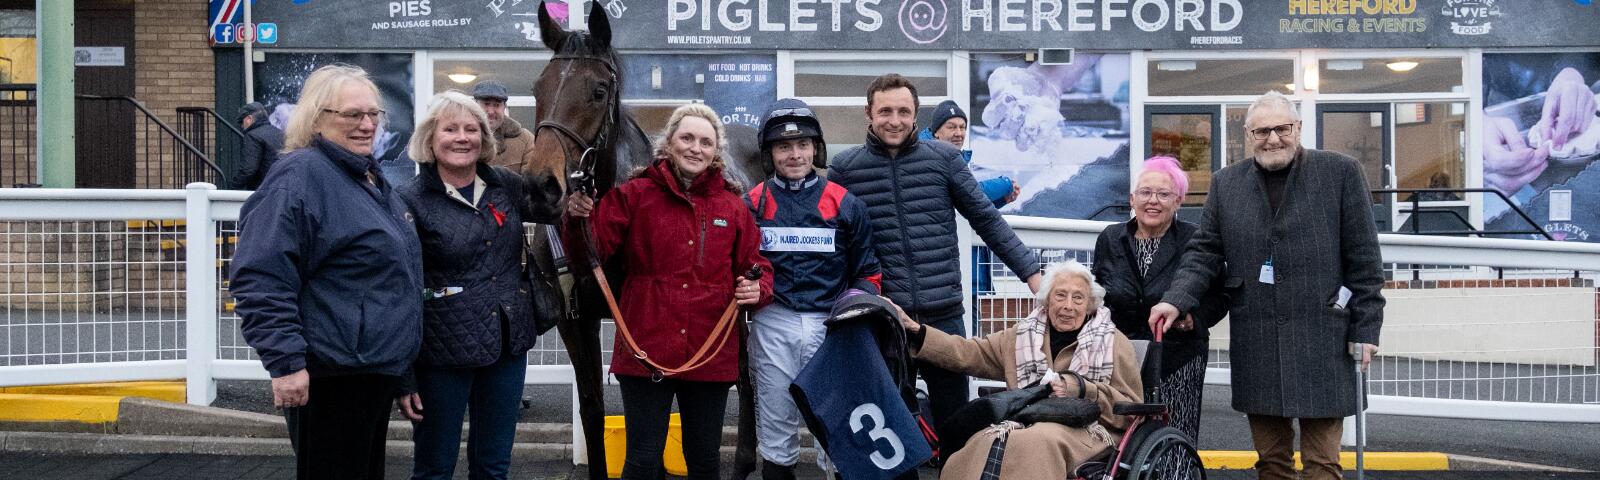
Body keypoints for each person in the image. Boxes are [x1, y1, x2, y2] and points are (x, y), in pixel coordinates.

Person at [1150, 91, 1386, 480]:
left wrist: (1366, 327)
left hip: (1323, 337)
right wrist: (1176, 301)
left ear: (1298, 128)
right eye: (1262, 131)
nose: (1272, 139)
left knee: (1322, 463)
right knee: (1271, 462)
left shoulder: (1341, 172)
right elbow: (1204, 252)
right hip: (1258, 338)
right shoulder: (1226, 183)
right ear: (1247, 134)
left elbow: (1364, 259)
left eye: (1282, 128)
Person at [230, 64, 422, 480]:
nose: (367, 124)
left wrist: (402, 369)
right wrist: (285, 363)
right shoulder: (300, 176)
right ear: (316, 118)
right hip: (332, 373)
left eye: (375, 114)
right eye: (352, 115)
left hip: (368, 371)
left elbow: (394, 280)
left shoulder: (365, 177)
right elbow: (261, 276)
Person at [565, 103, 774, 480]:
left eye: (705, 142)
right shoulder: (633, 195)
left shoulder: (733, 207)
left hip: (709, 355)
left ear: (715, 152)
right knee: (642, 461)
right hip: (646, 353)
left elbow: (757, 266)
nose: (696, 148)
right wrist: (577, 219)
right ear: (669, 144)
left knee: (705, 462)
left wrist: (758, 288)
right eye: (687, 138)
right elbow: (587, 256)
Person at [830, 73, 1043, 433]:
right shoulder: (846, 168)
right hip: (884, 318)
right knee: (892, 427)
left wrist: (1035, 278)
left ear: (916, 115)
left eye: (903, 111)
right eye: (885, 111)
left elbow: (987, 219)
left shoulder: (944, 159)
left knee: (956, 424)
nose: (894, 120)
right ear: (869, 113)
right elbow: (832, 242)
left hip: (942, 316)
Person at [392, 91, 559, 480]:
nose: (462, 137)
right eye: (450, 129)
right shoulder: (409, 201)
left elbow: (554, 207)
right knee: (435, 467)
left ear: (485, 138)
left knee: (494, 465)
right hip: (441, 352)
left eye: (472, 129)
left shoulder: (506, 185)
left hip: (507, 344)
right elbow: (401, 291)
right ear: (430, 138)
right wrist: (404, 376)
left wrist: (580, 198)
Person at [894, 261, 1142, 479]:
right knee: (981, 442)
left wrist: (1082, 388)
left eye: (1078, 298)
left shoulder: (1112, 341)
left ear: (1089, 305)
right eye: (1060, 295)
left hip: (1089, 430)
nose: (1068, 306)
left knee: (1034, 442)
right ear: (1046, 300)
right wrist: (917, 331)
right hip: (1024, 420)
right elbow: (969, 352)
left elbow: (1130, 408)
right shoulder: (1023, 335)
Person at [744, 98, 881, 479]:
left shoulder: (845, 203)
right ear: (769, 152)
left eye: (803, 144)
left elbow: (868, 271)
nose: (794, 154)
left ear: (816, 149)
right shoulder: (751, 204)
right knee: (775, 431)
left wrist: (852, 314)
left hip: (830, 326)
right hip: (774, 324)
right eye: (784, 146)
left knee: (836, 432)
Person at [1091, 156, 1229, 443]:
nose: (1153, 201)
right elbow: (1098, 289)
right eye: (1145, 192)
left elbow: (1222, 293)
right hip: (1121, 357)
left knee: (1173, 435)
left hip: (1177, 357)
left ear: (1178, 201)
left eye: (1164, 194)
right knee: (1122, 438)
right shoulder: (1110, 238)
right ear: (1132, 199)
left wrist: (1195, 318)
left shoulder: (1195, 240)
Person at [918, 99, 1019, 208]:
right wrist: (1007, 184)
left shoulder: (941, 154)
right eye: (951, 127)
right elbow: (970, 192)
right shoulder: (930, 157)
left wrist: (1002, 199)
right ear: (936, 132)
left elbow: (964, 204)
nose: (958, 133)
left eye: (962, 127)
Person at [472, 80, 536, 171]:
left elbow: (532, 181)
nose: (490, 111)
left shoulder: (526, 139)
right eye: (486, 104)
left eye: (496, 105)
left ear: (504, 107)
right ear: (474, 105)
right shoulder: (458, 137)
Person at [234, 101, 286, 190]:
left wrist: (232, 188)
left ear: (249, 119)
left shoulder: (252, 136)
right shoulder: (280, 133)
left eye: (242, 122)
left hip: (262, 191)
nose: (242, 126)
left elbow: (248, 169)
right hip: (282, 188)